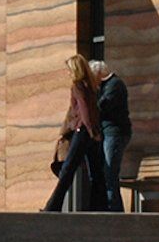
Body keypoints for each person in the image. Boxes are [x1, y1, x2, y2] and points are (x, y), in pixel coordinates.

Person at [43, 53, 109, 211]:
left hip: (82, 131)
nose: (68, 73)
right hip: (91, 132)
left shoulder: (78, 85)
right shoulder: (91, 85)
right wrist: (95, 132)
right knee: (96, 172)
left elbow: (84, 110)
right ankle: (99, 207)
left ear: (75, 69)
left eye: (69, 70)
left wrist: (92, 131)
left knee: (68, 170)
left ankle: (53, 206)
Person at [91, 59, 130, 212]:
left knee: (110, 173)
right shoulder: (108, 85)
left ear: (98, 74)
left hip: (115, 133)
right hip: (110, 133)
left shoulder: (114, 84)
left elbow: (102, 106)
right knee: (108, 172)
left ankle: (115, 210)